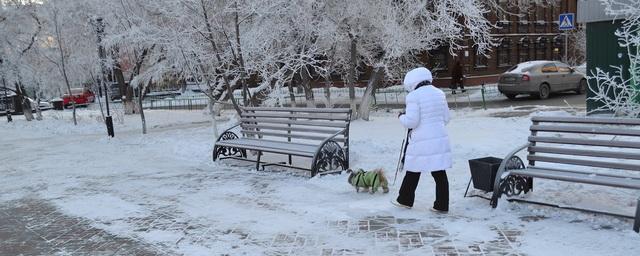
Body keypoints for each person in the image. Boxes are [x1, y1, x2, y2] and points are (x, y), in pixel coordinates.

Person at [392, 67, 452, 213]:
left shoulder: (413, 96)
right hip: (438, 139)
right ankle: (442, 205)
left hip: (421, 141)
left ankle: (405, 200)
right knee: (439, 173)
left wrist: (401, 116)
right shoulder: (439, 93)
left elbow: (412, 122)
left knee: (413, 170)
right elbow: (446, 118)